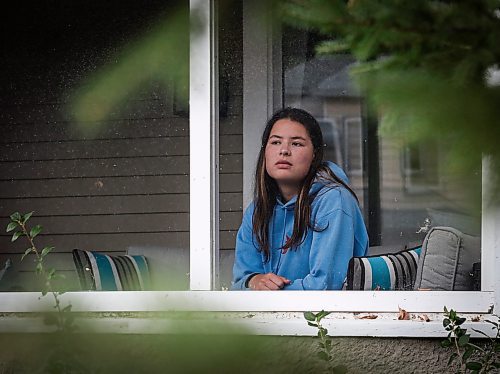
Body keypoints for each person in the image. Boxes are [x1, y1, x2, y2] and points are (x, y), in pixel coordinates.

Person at [231, 107, 368, 290]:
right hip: (269, 315)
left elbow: (327, 285)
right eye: (276, 142)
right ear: (265, 151)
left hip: (328, 316)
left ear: (314, 155)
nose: (284, 151)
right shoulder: (257, 211)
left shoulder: (334, 200)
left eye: (296, 144)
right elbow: (240, 282)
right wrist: (255, 280)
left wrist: (269, 294)